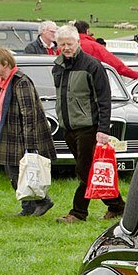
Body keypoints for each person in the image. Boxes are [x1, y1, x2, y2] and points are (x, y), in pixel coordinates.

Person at [51, 25, 125, 223]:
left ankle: (78, 213)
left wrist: (103, 129)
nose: (66, 48)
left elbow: (104, 99)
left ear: (78, 42)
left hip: (88, 127)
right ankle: (117, 206)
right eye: (62, 44)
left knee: (84, 170)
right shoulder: (57, 66)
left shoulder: (92, 65)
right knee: (90, 170)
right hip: (68, 127)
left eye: (69, 43)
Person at [0, 48, 56, 216]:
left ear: (5, 63)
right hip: (10, 133)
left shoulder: (21, 82)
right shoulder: (3, 81)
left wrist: (30, 144)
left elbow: (29, 113)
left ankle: (43, 201)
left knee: (21, 171)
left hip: (22, 136)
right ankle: (28, 206)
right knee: (13, 171)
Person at [73, 20, 138, 80]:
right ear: (87, 31)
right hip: (90, 84)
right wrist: (136, 74)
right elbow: (115, 64)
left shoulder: (68, 46)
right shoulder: (94, 47)